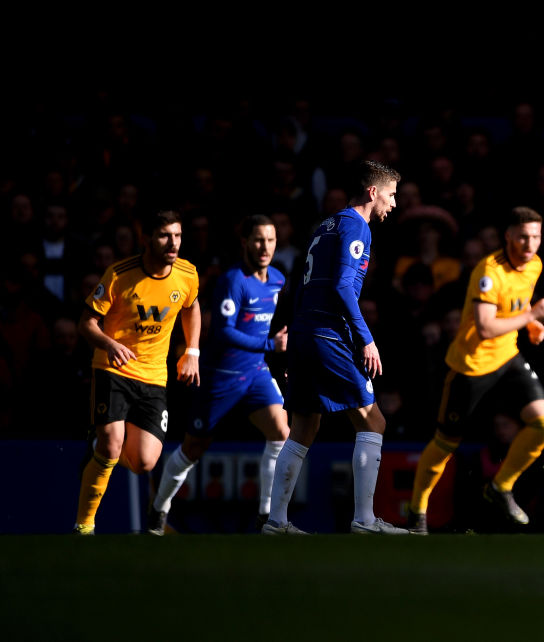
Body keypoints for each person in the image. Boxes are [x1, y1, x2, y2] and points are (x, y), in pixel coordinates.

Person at [262, 160, 408, 535]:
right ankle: (365, 520)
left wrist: (297, 342)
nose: (394, 204)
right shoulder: (357, 226)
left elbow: (300, 287)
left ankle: (276, 522)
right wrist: (366, 339)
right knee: (374, 420)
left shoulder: (324, 225)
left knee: (304, 426)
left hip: (307, 332)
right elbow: (343, 288)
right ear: (373, 192)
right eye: (391, 195)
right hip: (329, 334)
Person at [407, 206, 544, 535]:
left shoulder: (535, 265)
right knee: (445, 444)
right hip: (471, 366)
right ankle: (418, 512)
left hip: (508, 358)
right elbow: (487, 327)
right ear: (508, 237)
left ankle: (501, 488)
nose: (530, 243)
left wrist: (530, 326)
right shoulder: (489, 270)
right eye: (522, 236)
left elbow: (514, 310)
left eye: (536, 236)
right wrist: (533, 315)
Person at [146, 214, 289, 534]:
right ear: (244, 243)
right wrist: (269, 344)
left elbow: (271, 327)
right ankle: (159, 510)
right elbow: (223, 332)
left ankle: (267, 518)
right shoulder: (233, 281)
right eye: (258, 240)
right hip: (222, 376)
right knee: (192, 449)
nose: (264, 247)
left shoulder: (278, 279)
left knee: (281, 432)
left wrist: (279, 351)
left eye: (270, 240)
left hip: (256, 372)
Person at [73, 209, 201, 534]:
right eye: (164, 236)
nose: (172, 243)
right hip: (113, 369)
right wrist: (109, 344)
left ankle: (101, 450)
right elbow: (86, 323)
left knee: (144, 463)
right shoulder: (119, 274)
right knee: (111, 443)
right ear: (146, 238)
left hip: (155, 378)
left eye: (177, 236)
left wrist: (192, 351)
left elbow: (192, 306)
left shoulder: (187, 275)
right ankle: (84, 525)